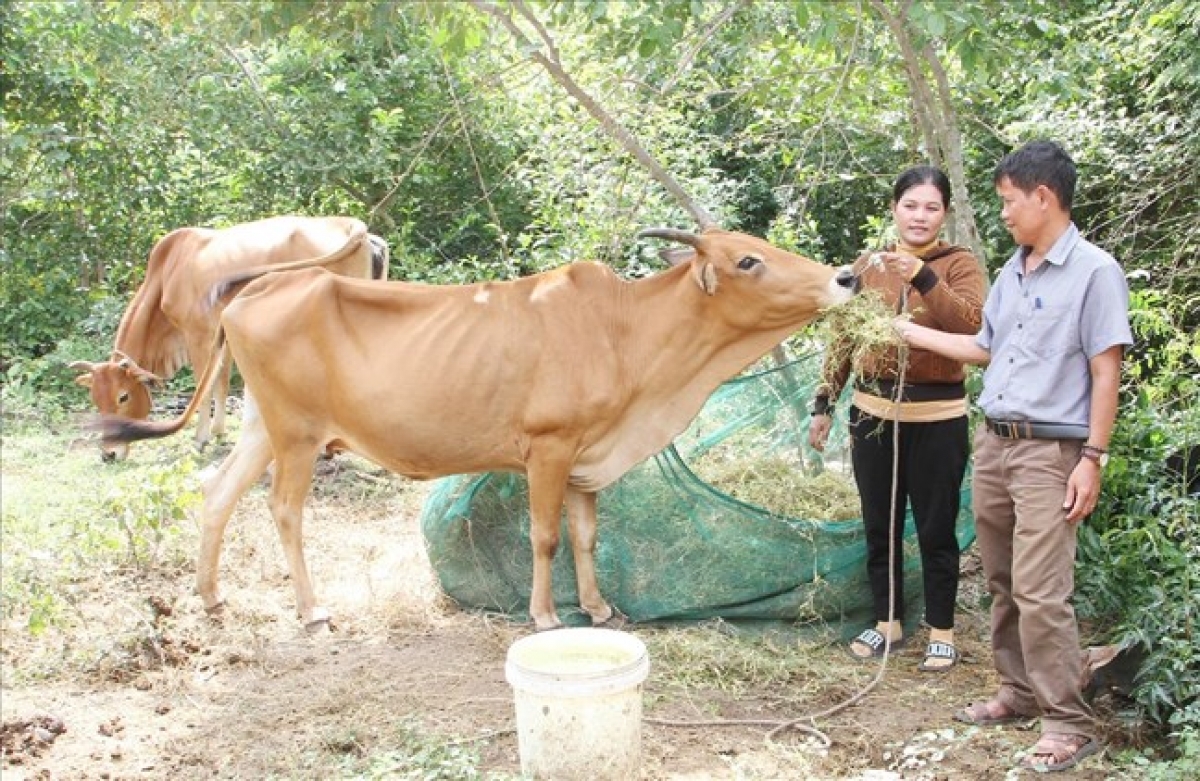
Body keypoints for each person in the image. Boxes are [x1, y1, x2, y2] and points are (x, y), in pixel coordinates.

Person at [895, 140, 1131, 772]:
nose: (1003, 213)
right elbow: (983, 345)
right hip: (996, 443)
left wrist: (1093, 457)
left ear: (1043, 198)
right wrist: (908, 331)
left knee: (1042, 588)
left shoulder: (1094, 272)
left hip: (1051, 451)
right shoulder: (1013, 270)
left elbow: (1105, 372)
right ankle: (1017, 692)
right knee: (1001, 577)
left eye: (1007, 201)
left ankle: (1068, 721)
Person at [808, 165, 985, 672]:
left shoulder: (958, 264)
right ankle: (888, 621)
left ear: (944, 214)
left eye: (931, 207)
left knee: (935, 527)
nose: (920, 216)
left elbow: (971, 326)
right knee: (879, 524)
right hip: (872, 416)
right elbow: (843, 339)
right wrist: (824, 405)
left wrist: (922, 275)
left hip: (938, 418)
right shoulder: (868, 266)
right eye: (911, 205)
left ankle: (942, 628)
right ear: (894, 208)